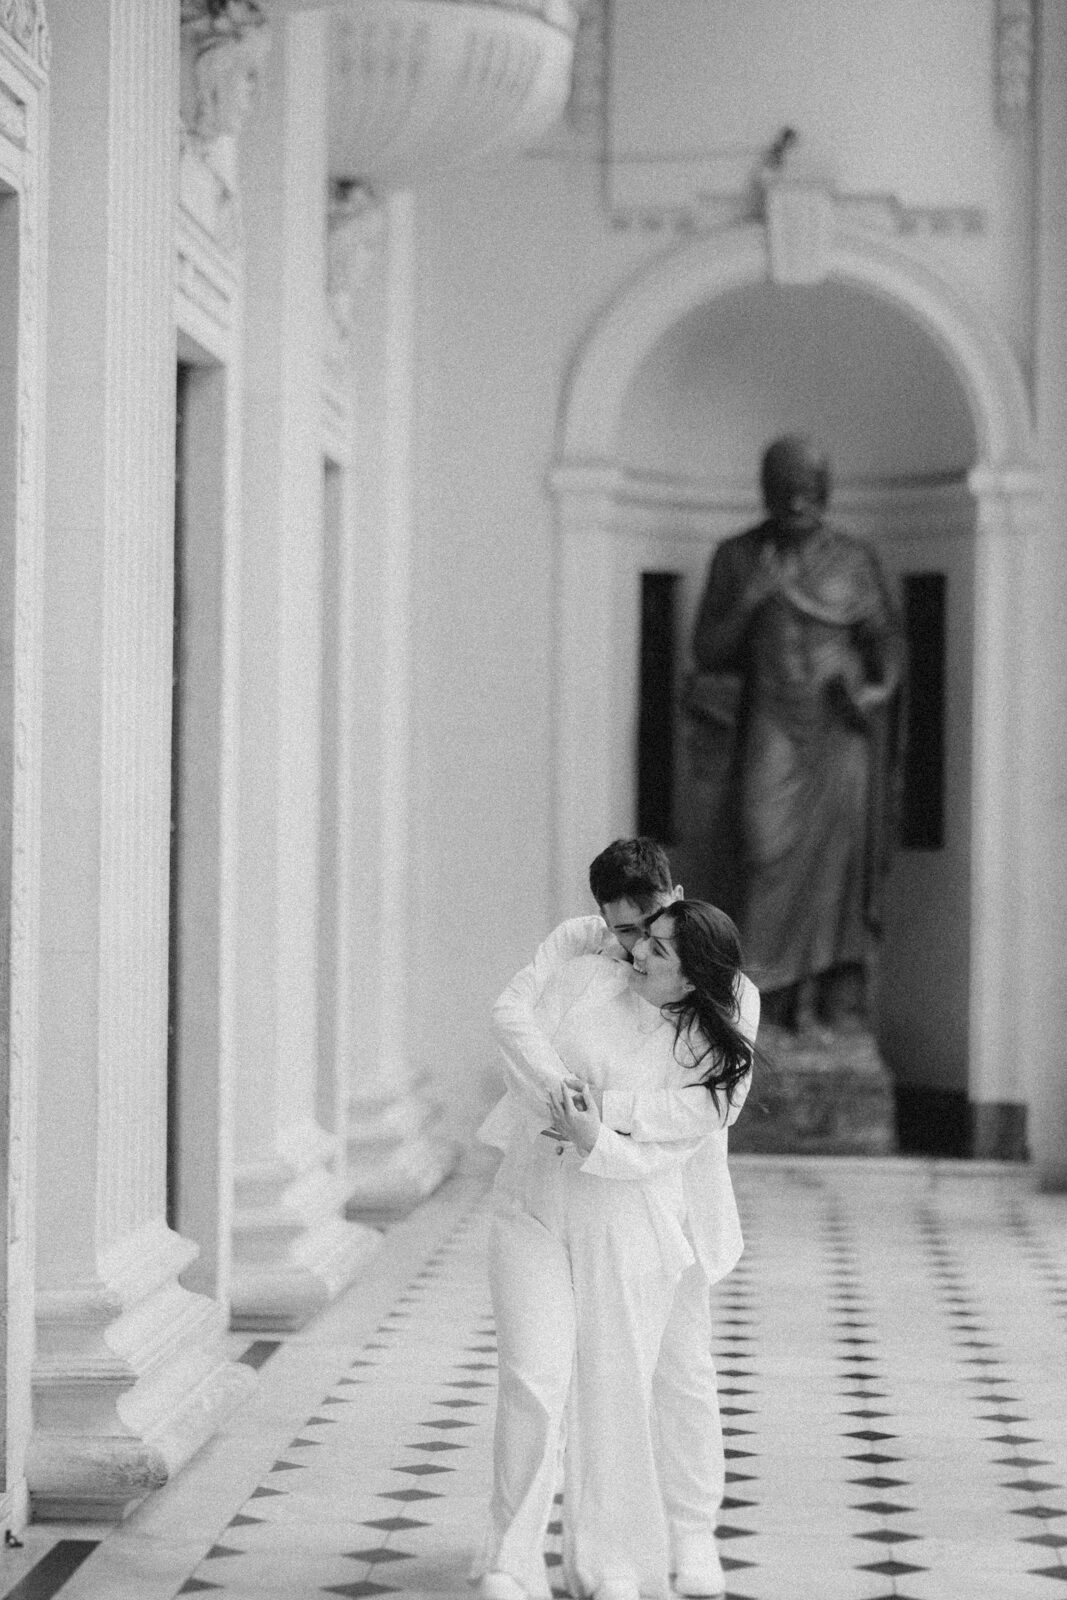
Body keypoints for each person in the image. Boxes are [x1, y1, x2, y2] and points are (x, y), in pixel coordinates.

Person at [477, 840, 759, 1600]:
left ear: (674, 895)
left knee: (676, 1375)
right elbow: (515, 1027)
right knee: (544, 1374)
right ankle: (518, 1555)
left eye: (648, 930)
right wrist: (559, 1097)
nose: (633, 947)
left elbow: (711, 1107)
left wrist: (600, 1118)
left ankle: (690, 1535)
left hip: (670, 1200)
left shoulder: (728, 988)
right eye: (622, 931)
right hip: (556, 1190)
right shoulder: (584, 958)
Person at [685, 434, 904, 1034]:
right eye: (784, 488)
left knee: (836, 870)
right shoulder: (739, 557)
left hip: (840, 736)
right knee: (761, 851)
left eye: (809, 488)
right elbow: (707, 651)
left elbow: (886, 641)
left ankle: (820, 1002)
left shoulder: (853, 559)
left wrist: (876, 689)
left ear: (825, 492)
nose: (797, 500)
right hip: (772, 727)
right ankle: (759, 1003)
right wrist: (749, 600)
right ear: (766, 491)